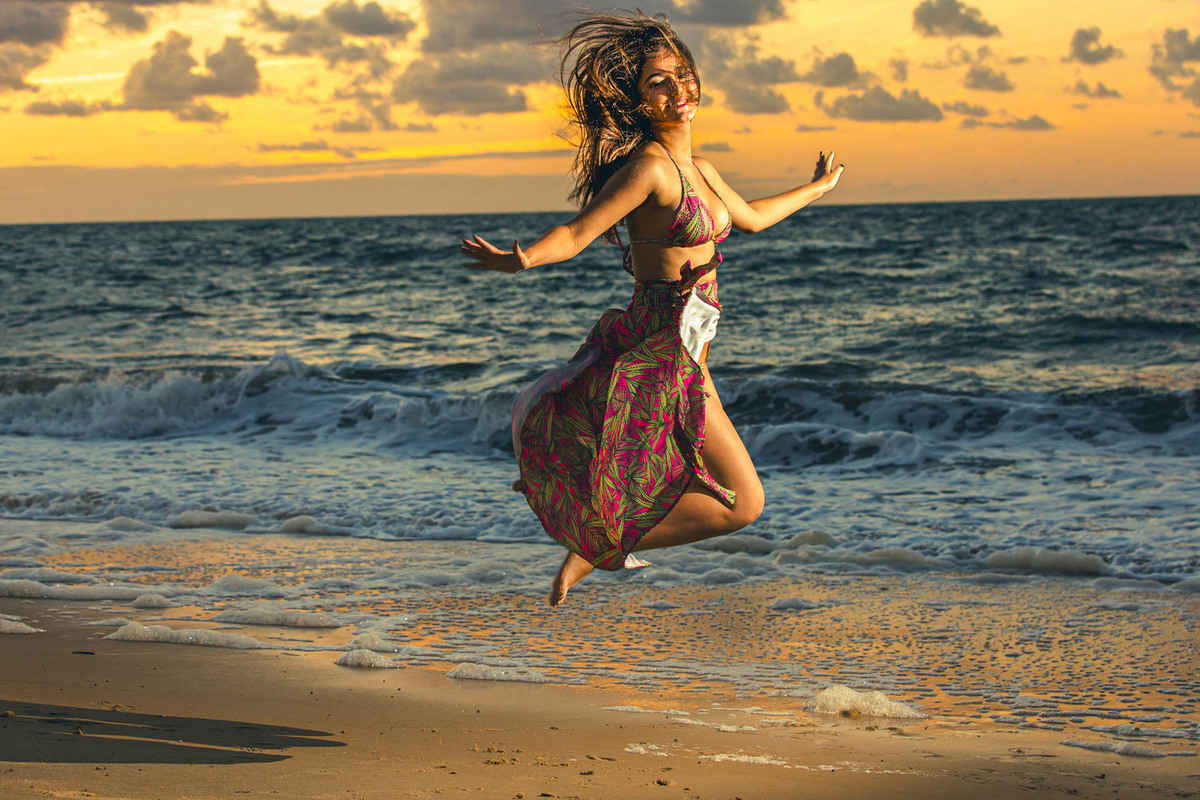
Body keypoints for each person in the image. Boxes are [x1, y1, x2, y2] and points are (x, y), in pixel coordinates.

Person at [461, 11, 843, 607]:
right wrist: (525, 259)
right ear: (639, 101)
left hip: (692, 351)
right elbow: (579, 230)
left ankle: (597, 536)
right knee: (744, 502)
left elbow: (753, 218)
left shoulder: (703, 171)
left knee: (657, 475)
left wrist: (816, 188)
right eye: (658, 82)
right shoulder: (651, 169)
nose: (677, 89)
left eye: (682, 74)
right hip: (660, 348)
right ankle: (597, 543)